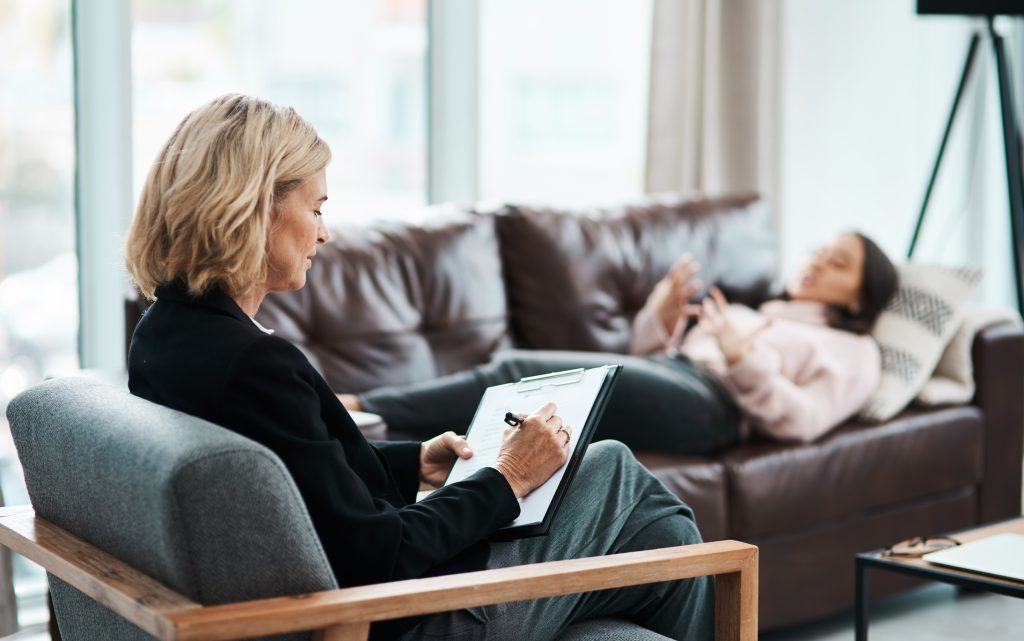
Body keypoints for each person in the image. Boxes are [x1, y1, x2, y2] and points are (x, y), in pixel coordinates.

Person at [123, 94, 713, 641]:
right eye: (316, 207)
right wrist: (507, 479)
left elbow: (293, 481)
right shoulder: (255, 365)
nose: (324, 233)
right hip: (399, 621)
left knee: (665, 540)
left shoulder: (166, 333)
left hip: (330, 603)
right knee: (615, 471)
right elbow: (378, 553)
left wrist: (412, 461)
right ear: (255, 209)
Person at [344, 232, 898, 454]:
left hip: (715, 407)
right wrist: (660, 318)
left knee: (518, 371)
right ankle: (371, 442)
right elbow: (647, 362)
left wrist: (742, 357)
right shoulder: (761, 311)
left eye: (839, 263)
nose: (819, 260)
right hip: (680, 379)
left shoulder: (855, 352)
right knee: (515, 408)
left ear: (860, 297)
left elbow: (802, 422)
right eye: (822, 249)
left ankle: (362, 410)